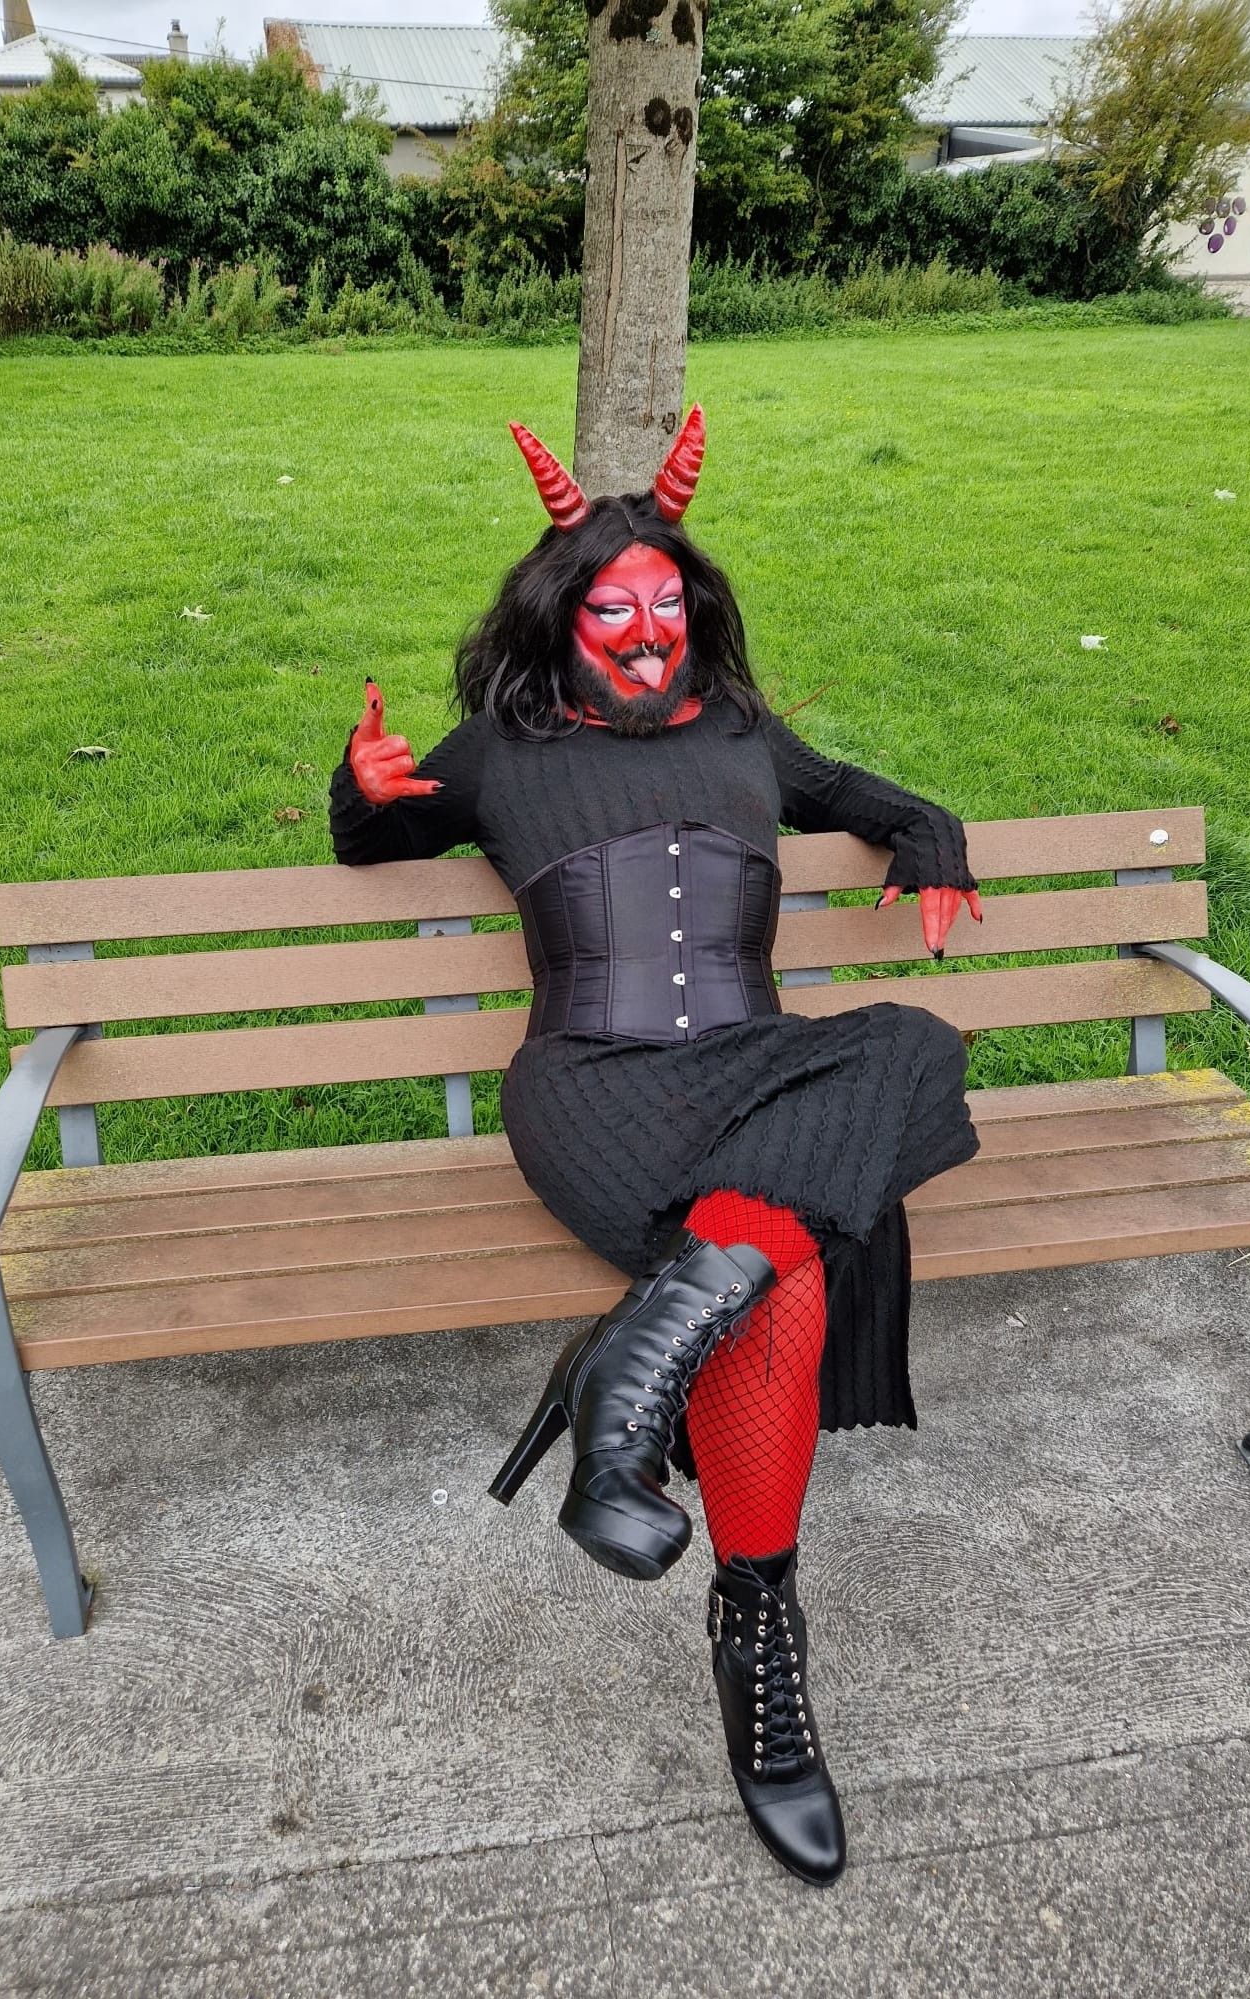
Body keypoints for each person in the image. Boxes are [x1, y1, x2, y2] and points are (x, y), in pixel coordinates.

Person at [329, 408, 982, 1885]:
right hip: (591, 1085)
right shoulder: (506, 749)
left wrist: (929, 836)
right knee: (786, 1273)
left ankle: (632, 1370)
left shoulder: (747, 730)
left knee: (914, 1043)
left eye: (668, 602)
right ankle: (762, 1636)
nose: (645, 629)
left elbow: (866, 800)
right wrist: (359, 790)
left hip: (751, 1073)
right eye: (612, 607)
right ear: (561, 622)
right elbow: (374, 838)